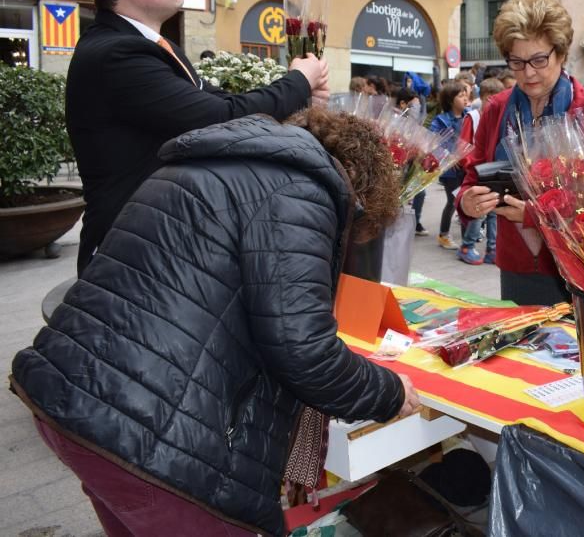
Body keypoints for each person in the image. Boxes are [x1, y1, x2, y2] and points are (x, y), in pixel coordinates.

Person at [10, 109, 420, 537]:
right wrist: (389, 392)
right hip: (146, 436)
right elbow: (303, 350)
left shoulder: (214, 163)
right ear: (360, 182)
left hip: (71, 396)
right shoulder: (301, 188)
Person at [67, 0, 329, 275]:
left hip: (158, 238)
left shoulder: (156, 46)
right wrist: (298, 80)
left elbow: (222, 102)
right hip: (128, 253)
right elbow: (220, 118)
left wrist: (301, 93)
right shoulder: (116, 55)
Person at [457, 0, 584, 305]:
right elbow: (471, 180)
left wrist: (534, 215)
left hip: (577, 267)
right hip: (515, 267)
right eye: (516, 62)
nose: (528, 73)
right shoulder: (496, 110)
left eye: (539, 60)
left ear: (561, 54)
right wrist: (467, 203)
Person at [457, 77, 504, 265]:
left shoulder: (500, 116)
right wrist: (471, 165)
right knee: (479, 210)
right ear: (481, 98)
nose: (492, 104)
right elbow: (463, 146)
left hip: (495, 171)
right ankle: (467, 245)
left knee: (494, 210)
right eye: (488, 99)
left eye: (496, 99)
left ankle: (492, 248)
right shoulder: (473, 117)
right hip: (477, 171)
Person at [429, 82, 470, 251]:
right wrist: (447, 158)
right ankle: (444, 235)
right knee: (453, 202)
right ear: (450, 100)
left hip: (468, 167)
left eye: (465, 94)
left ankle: (467, 240)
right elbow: (432, 143)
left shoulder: (470, 116)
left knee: (465, 201)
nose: (465, 98)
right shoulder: (440, 120)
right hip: (451, 171)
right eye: (460, 96)